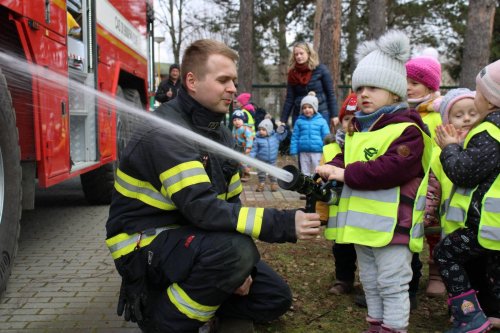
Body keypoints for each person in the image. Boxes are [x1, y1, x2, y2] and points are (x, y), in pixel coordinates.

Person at [105, 39, 322, 332]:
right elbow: (204, 210)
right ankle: (162, 318)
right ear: (191, 81)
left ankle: (204, 300)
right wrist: (282, 224)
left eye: (233, 80)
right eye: (223, 80)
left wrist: (237, 274)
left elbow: (231, 205)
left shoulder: (220, 134)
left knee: (274, 297)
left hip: (193, 238)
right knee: (235, 253)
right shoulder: (166, 133)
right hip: (145, 243)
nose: (233, 88)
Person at [316, 30, 433, 333]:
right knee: (370, 281)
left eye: (374, 87)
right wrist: (331, 166)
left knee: (393, 282)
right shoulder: (360, 129)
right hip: (363, 227)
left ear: (395, 92)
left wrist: (346, 173)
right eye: (360, 87)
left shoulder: (408, 129)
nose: (364, 93)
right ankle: (375, 325)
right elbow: (347, 157)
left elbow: (392, 168)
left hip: (395, 226)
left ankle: (393, 328)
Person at [433, 59, 500, 333]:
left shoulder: (490, 131)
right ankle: (493, 314)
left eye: (477, 93)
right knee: (491, 270)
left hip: (487, 223)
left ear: (490, 99)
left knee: (446, 254)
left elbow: (463, 172)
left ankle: (468, 315)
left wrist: (450, 148)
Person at [320, 92, 358, 296]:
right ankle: (344, 279)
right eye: (347, 118)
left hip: (364, 209)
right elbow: (319, 180)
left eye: (356, 119)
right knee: (342, 247)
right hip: (340, 210)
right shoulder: (331, 147)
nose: (351, 123)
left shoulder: (368, 144)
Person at [280, 42, 338, 128]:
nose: (299, 56)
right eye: (296, 54)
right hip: (299, 115)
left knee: (321, 140)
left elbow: (330, 93)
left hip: (320, 113)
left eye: (301, 53)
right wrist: (283, 120)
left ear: (308, 53)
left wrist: (334, 115)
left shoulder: (321, 69)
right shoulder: (292, 74)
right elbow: (289, 98)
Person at [289, 92, 331, 177]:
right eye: (304, 108)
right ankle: (306, 187)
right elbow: (295, 137)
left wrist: (327, 150)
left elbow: (326, 136)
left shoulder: (321, 121)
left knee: (317, 171)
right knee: (305, 172)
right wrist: (293, 150)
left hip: (317, 151)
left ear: (315, 108)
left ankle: (318, 186)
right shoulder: (299, 122)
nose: (307, 109)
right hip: (303, 152)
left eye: (310, 107)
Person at [406, 48, 443, 138]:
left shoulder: (440, 114)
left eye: (414, 83)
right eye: (405, 82)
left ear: (430, 87)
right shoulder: (398, 110)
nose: (407, 87)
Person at [250, 119, 288, 192]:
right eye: (260, 129)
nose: (261, 131)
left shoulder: (276, 137)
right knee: (261, 173)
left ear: (269, 130)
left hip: (272, 160)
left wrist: (283, 129)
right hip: (261, 160)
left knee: (273, 172)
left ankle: (273, 184)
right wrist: (250, 158)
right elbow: (254, 150)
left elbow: (283, 136)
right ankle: (261, 184)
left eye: (263, 130)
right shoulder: (257, 139)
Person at [231, 109, 255, 182]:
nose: (237, 121)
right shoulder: (234, 128)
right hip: (237, 147)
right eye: (234, 120)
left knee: (245, 162)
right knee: (238, 161)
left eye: (239, 119)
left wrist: (248, 147)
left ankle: (246, 174)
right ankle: (240, 173)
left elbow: (249, 138)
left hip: (245, 148)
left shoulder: (245, 129)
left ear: (243, 120)